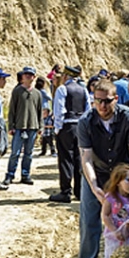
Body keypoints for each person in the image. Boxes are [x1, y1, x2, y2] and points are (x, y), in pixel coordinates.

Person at [77, 79, 129, 258]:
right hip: (96, 173)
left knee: (125, 219)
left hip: (121, 174)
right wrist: (95, 187)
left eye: (107, 101)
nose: (103, 106)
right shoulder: (85, 122)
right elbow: (85, 157)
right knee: (89, 222)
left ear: (116, 99)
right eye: (98, 101)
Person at [49, 65, 89, 203]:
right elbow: (87, 110)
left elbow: (59, 110)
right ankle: (79, 191)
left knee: (65, 159)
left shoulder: (62, 89)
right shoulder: (83, 90)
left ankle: (65, 191)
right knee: (79, 159)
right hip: (80, 126)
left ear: (66, 76)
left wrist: (57, 128)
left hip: (67, 125)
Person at [4, 67, 43, 186]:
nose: (28, 77)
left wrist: (40, 126)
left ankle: (25, 174)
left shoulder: (37, 93)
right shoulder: (17, 91)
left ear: (34, 77)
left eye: (31, 75)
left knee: (28, 153)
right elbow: (12, 110)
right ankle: (10, 174)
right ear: (22, 76)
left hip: (32, 126)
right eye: (26, 74)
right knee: (15, 153)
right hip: (19, 127)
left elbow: (39, 111)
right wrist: (11, 126)